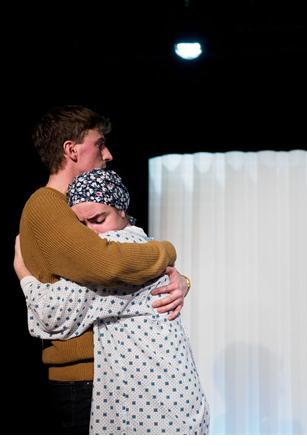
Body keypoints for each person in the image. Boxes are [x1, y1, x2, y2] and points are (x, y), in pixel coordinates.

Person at [17, 105, 191, 434]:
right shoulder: (46, 204)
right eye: (99, 144)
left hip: (113, 372)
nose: (108, 154)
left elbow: (125, 276)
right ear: (71, 150)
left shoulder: (78, 204)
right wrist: (167, 252)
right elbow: (109, 266)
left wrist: (180, 279)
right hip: (85, 379)